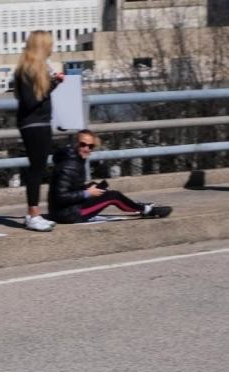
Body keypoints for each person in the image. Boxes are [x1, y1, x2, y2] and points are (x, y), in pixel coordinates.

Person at [48, 129, 173, 223]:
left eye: (90, 146)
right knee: (113, 196)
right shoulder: (70, 165)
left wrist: (88, 189)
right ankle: (145, 210)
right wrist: (86, 193)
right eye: (83, 144)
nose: (86, 149)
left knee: (97, 187)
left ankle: (135, 205)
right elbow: (60, 196)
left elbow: (69, 189)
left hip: (64, 210)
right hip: (67, 214)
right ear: (76, 144)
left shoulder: (74, 159)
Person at [14, 30, 63, 232]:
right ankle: (33, 213)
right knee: (36, 169)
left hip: (41, 123)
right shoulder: (26, 69)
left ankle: (33, 213)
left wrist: (53, 82)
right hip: (33, 124)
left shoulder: (39, 68)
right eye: (49, 44)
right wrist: (52, 84)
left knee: (39, 168)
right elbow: (29, 101)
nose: (52, 48)